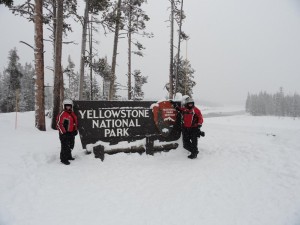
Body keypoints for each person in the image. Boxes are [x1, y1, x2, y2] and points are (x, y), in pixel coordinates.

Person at [56, 99, 78, 165]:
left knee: (71, 145)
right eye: (67, 106)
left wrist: (75, 130)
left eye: (69, 106)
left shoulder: (72, 113)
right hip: (64, 133)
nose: (68, 107)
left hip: (71, 132)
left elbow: (75, 123)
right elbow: (59, 124)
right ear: (64, 106)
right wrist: (63, 133)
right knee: (65, 146)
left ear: (71, 106)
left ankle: (68, 156)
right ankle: (63, 159)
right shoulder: (62, 114)